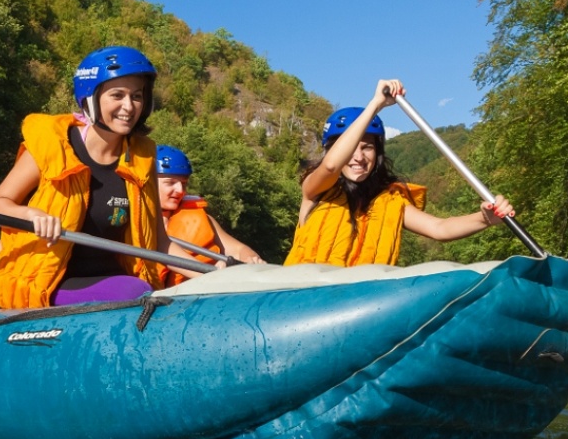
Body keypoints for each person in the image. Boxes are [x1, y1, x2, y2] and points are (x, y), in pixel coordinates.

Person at [0, 46, 189, 308]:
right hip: (47, 279)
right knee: (135, 290)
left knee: (153, 291)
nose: (129, 106)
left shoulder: (141, 159)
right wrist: (31, 215)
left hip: (112, 280)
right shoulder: (53, 145)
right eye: (118, 95)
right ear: (91, 98)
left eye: (137, 96)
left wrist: (214, 273)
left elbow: (159, 241)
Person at [285, 80, 515, 266]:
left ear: (378, 153)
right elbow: (330, 167)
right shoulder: (316, 189)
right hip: (305, 302)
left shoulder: (391, 202)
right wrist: (376, 104)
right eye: (351, 148)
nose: (358, 157)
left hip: (360, 307)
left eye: (368, 147)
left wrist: (485, 219)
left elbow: (439, 229)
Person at [155, 144, 264, 285]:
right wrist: (211, 275)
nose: (180, 190)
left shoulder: (200, 218)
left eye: (184, 183)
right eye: (170, 183)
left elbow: (238, 250)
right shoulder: (135, 221)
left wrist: (250, 258)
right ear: (150, 182)